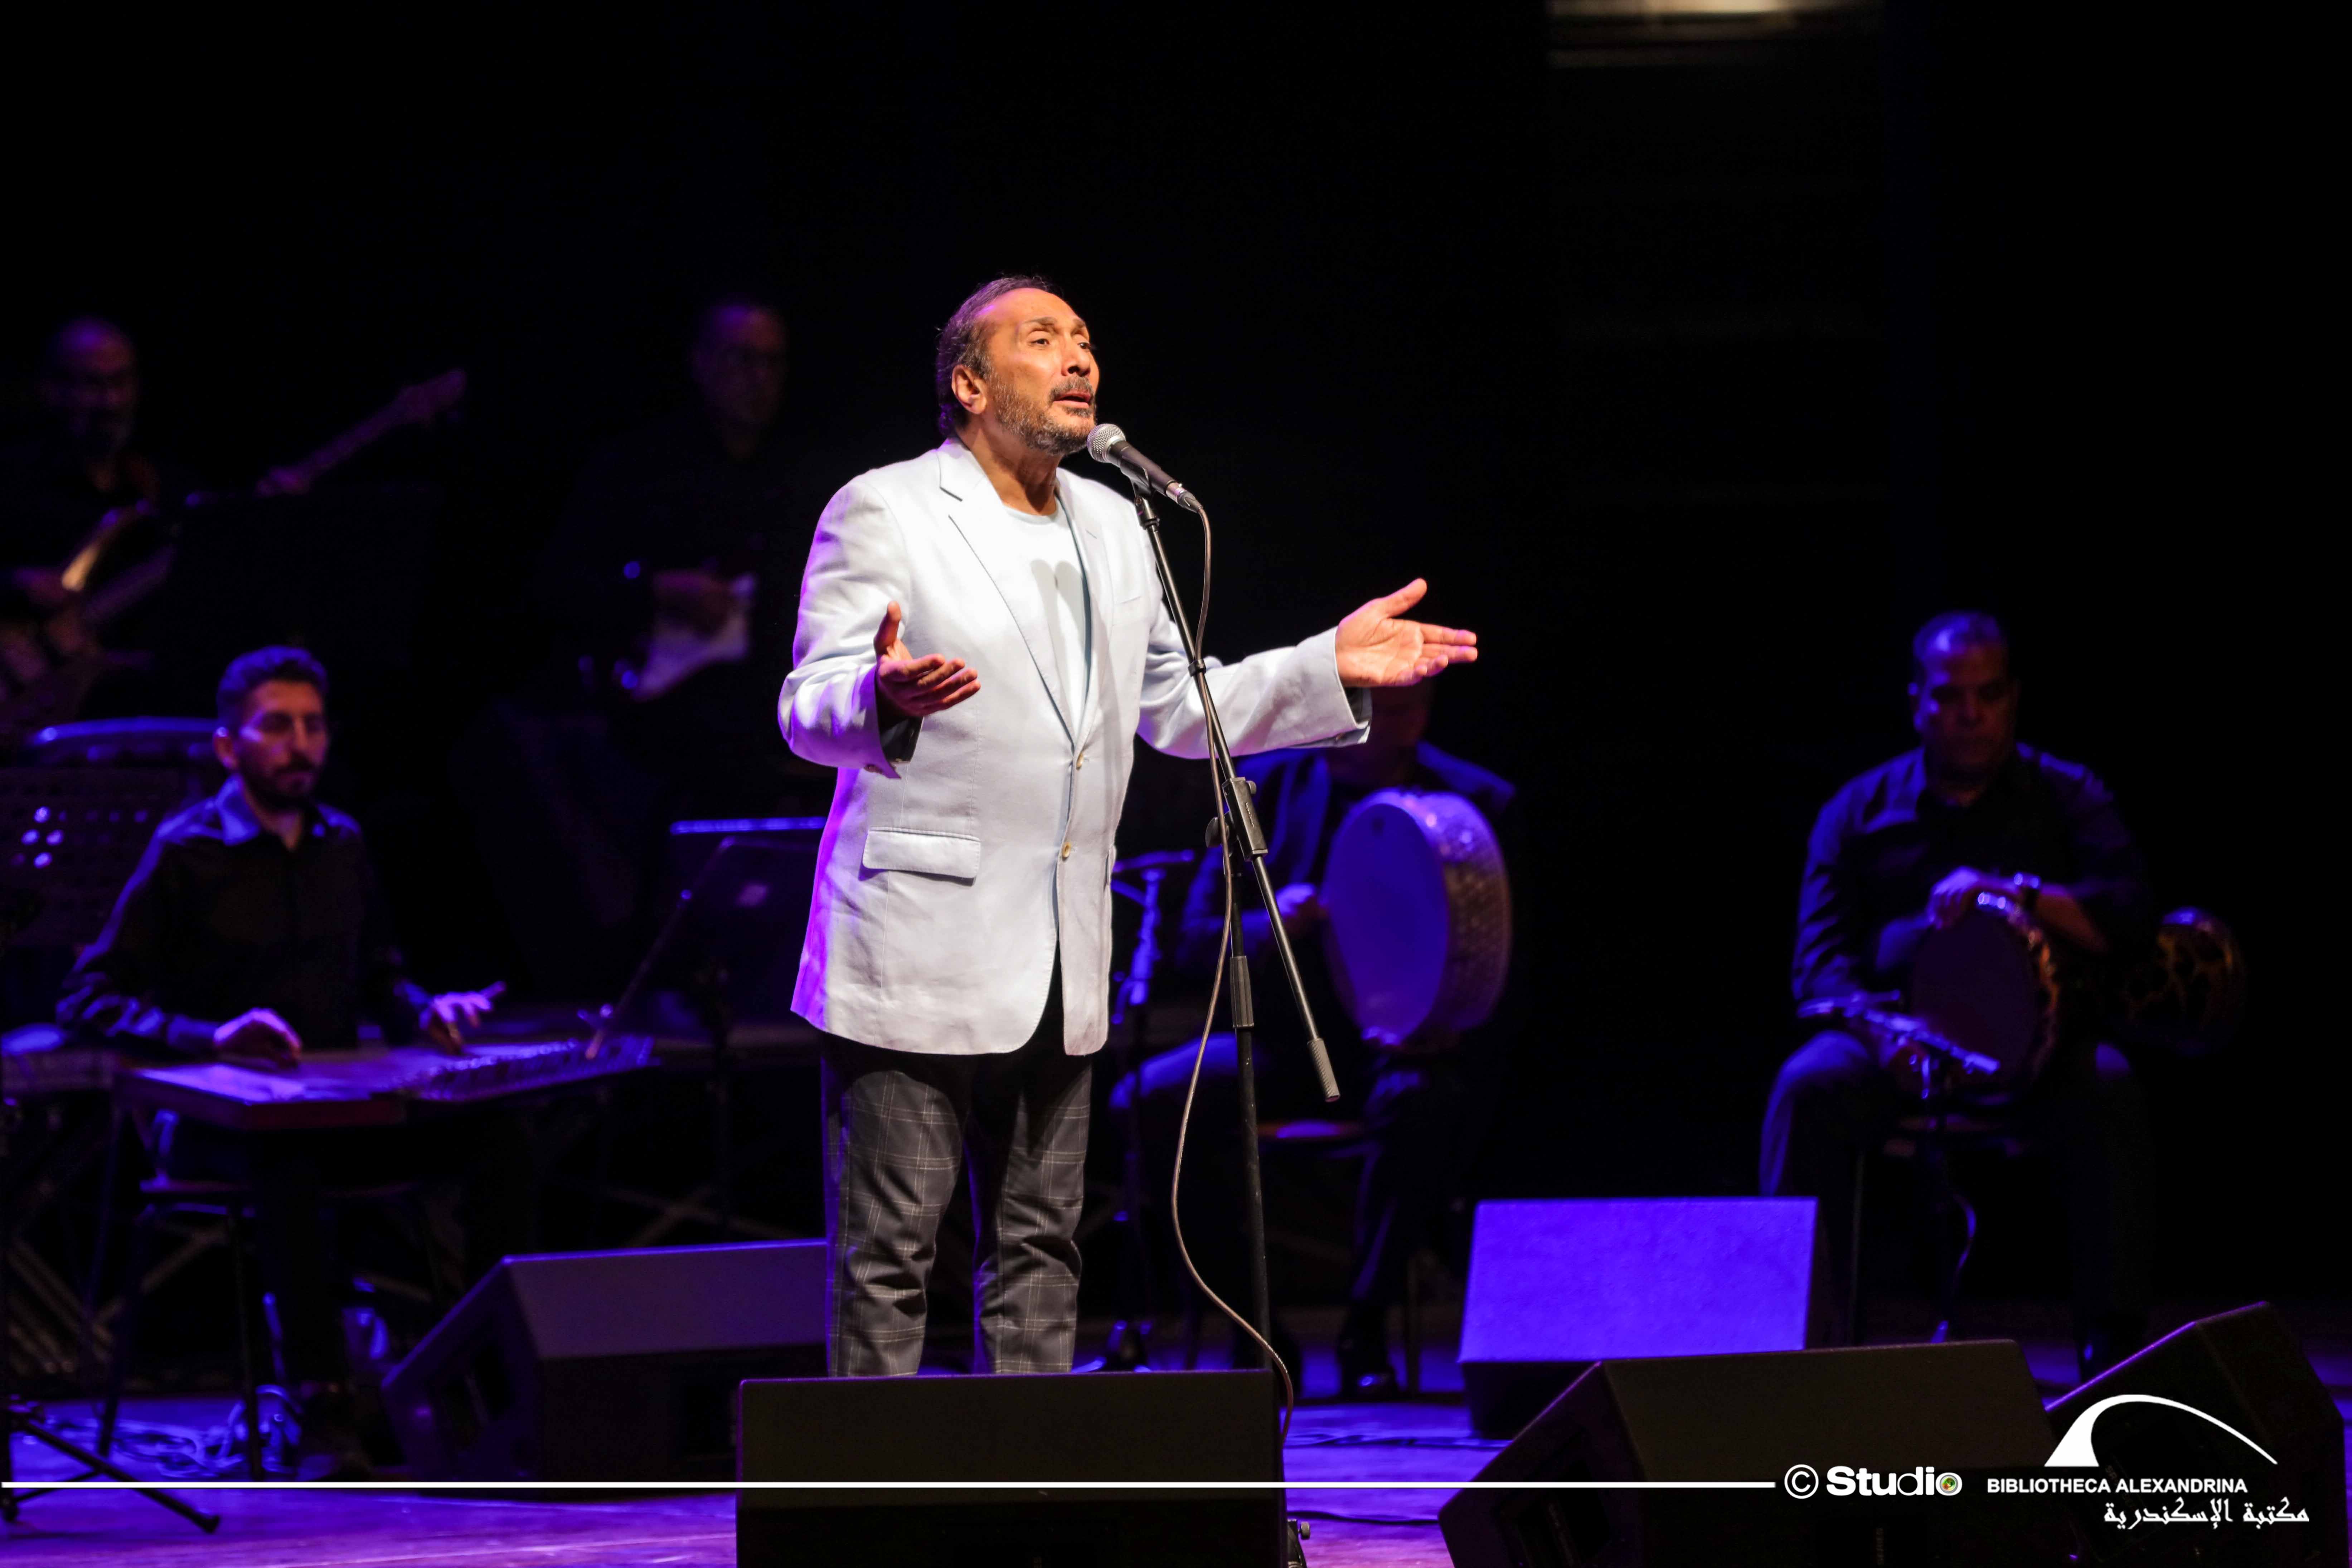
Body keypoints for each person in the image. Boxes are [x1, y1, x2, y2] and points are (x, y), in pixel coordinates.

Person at [781, 275, 1479, 1378]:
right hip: (916, 946)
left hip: (1061, 955)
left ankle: (1028, 1478)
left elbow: (1178, 706)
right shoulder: (887, 507)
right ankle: (870, 1481)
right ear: (970, 382)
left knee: (1040, 1248)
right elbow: (806, 702)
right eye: (1042, 339)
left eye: (1086, 340)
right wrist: (880, 695)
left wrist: (1326, 666)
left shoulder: (1116, 522)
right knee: (892, 1254)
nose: (1079, 359)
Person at [59, 647, 514, 1477]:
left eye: (312, 725)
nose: (300, 744)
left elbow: (381, 977)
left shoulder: (342, 841)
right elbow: (87, 997)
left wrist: (427, 1011)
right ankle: (321, 1406)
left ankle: (487, 1372)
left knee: (496, 1137)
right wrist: (210, 1036)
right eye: (277, 726)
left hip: (336, 1108)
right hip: (218, 1126)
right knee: (288, 1159)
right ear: (228, 746)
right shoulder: (185, 850)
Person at [1760, 611, 2156, 1378]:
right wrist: (1887, 1036)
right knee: (1806, 1087)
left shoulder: (2067, 795)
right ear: (1916, 701)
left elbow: (2130, 919)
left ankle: (2114, 1352)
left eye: (1989, 694)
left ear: (2014, 698)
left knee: (2110, 1087)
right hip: (1898, 1046)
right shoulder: (1858, 811)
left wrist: (2016, 891)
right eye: (1949, 696)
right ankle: (1802, 1351)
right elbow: (1818, 966)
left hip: (2041, 1049)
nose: (1970, 714)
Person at [1115, 679, 1517, 1395]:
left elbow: (1507, 953)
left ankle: (1366, 1325)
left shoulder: (1474, 801)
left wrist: (1450, 1025)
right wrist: (1273, 921)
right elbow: (1195, 940)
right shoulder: (1263, 791)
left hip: (1401, 1049)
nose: (1398, 722)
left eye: (1412, 706)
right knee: (1147, 1101)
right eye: (1379, 706)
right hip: (1286, 1046)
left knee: (1425, 1104)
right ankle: (1256, 1327)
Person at [535, 295, 816, 819]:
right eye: (742, 358)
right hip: (646, 729)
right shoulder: (635, 466)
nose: (759, 378)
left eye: (772, 362)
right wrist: (658, 591)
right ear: (701, 363)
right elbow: (558, 585)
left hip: (757, 726)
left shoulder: (798, 477)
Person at [0, 316, 194, 628]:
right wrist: (15, 583)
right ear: (52, 390)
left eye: (120, 382)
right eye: (93, 384)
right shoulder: (12, 480)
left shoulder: (163, 484)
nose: (111, 402)